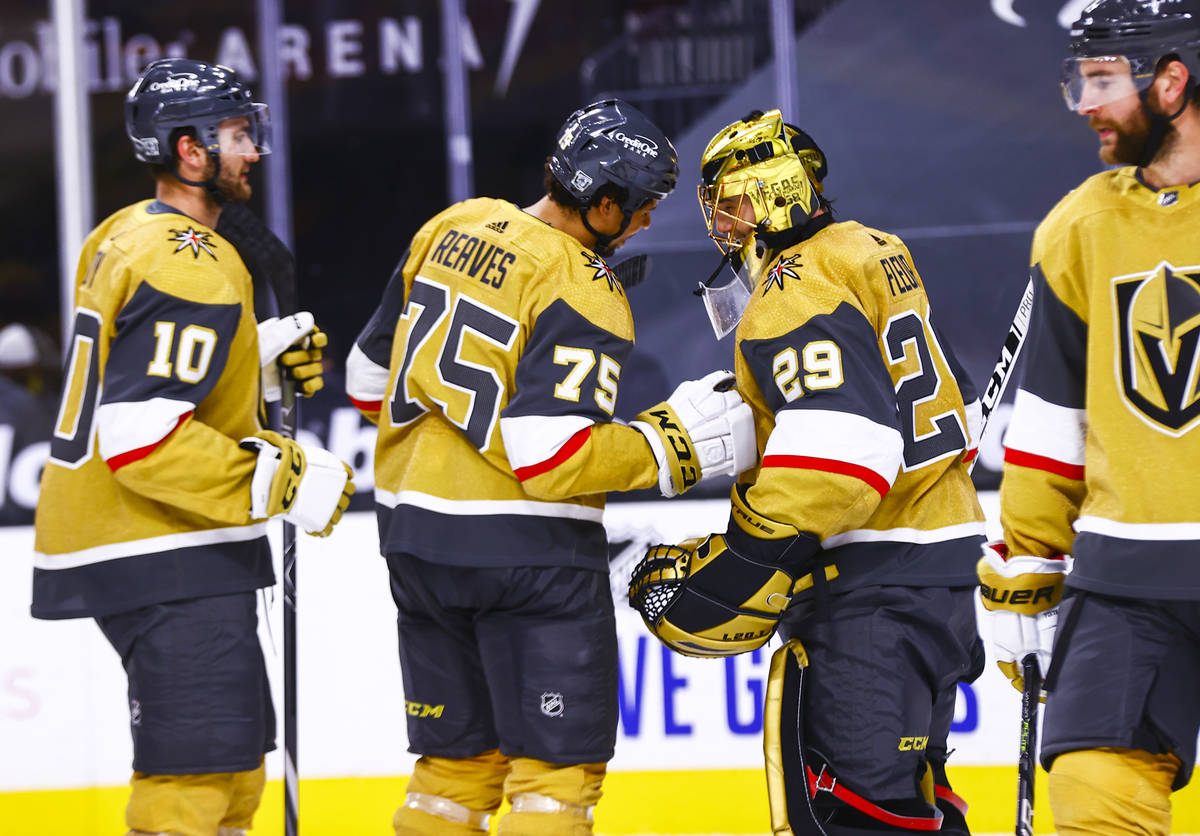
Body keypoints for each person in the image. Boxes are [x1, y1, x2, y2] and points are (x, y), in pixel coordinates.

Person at [344, 98, 756, 835]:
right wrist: (673, 445)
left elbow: (365, 381)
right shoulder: (582, 284)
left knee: (452, 775)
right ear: (604, 203)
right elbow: (553, 458)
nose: (647, 222)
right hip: (527, 558)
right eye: (643, 206)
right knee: (553, 786)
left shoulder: (454, 224)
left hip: (414, 542)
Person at [628, 108, 987, 835]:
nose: (722, 224)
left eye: (732, 202)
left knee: (849, 819)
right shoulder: (873, 249)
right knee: (916, 809)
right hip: (942, 577)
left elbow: (841, 455)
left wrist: (743, 558)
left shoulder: (795, 282)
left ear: (776, 191)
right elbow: (957, 407)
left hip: (870, 600)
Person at [31, 58, 355, 836]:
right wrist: (280, 479)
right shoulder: (190, 260)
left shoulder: (126, 230)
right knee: (195, 788)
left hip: (153, 547)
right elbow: (140, 438)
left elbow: (135, 375)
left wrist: (248, 362)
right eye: (238, 135)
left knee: (231, 775)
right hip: (160, 547)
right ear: (189, 149)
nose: (253, 150)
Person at [977, 2, 1200, 833]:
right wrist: (1028, 566)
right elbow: (1051, 415)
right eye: (1081, 82)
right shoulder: (1080, 226)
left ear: (1171, 82)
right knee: (1089, 801)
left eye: (1104, 82)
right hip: (1127, 582)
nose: (1086, 106)